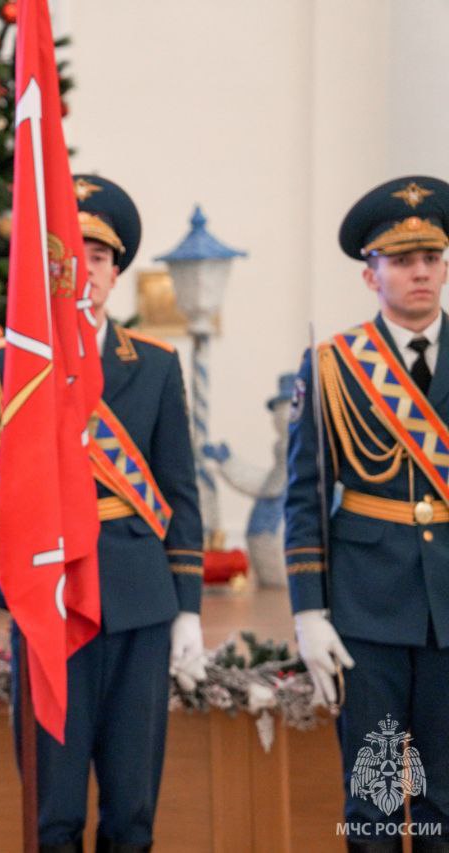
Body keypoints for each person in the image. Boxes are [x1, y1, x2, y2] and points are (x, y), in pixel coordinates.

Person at [0, 175, 206, 853]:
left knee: (132, 814)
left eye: (99, 256)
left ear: (115, 271)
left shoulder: (154, 365)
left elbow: (180, 494)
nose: (84, 269)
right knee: (53, 813)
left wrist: (188, 607)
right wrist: (21, 494)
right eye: (71, 255)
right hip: (47, 602)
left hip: (138, 600)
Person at [284, 175, 449, 850]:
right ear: (369, 273)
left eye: (432, 258)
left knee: (444, 808)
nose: (420, 272)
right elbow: (303, 493)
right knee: (375, 808)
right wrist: (308, 609)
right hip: (365, 615)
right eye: (402, 260)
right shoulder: (332, 366)